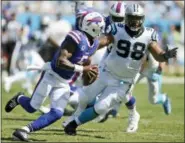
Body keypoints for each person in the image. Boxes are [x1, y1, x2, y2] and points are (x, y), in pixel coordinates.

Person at [64, 4, 178, 135]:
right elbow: (102, 42)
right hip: (107, 72)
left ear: (143, 19)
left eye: (138, 18)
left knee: (101, 107)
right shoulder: (117, 29)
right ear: (126, 18)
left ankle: (73, 124)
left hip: (123, 81)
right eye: (132, 18)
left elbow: (158, 55)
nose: (135, 22)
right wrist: (85, 51)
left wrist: (165, 55)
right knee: (84, 97)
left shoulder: (148, 34)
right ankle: (73, 117)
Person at [5, 11, 105, 141]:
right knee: (32, 107)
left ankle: (24, 130)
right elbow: (61, 61)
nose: (101, 30)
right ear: (92, 27)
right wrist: (83, 68)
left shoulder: (94, 44)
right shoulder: (76, 38)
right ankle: (19, 98)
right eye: (100, 27)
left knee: (57, 113)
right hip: (51, 75)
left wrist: (88, 73)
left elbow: (87, 59)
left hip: (65, 82)